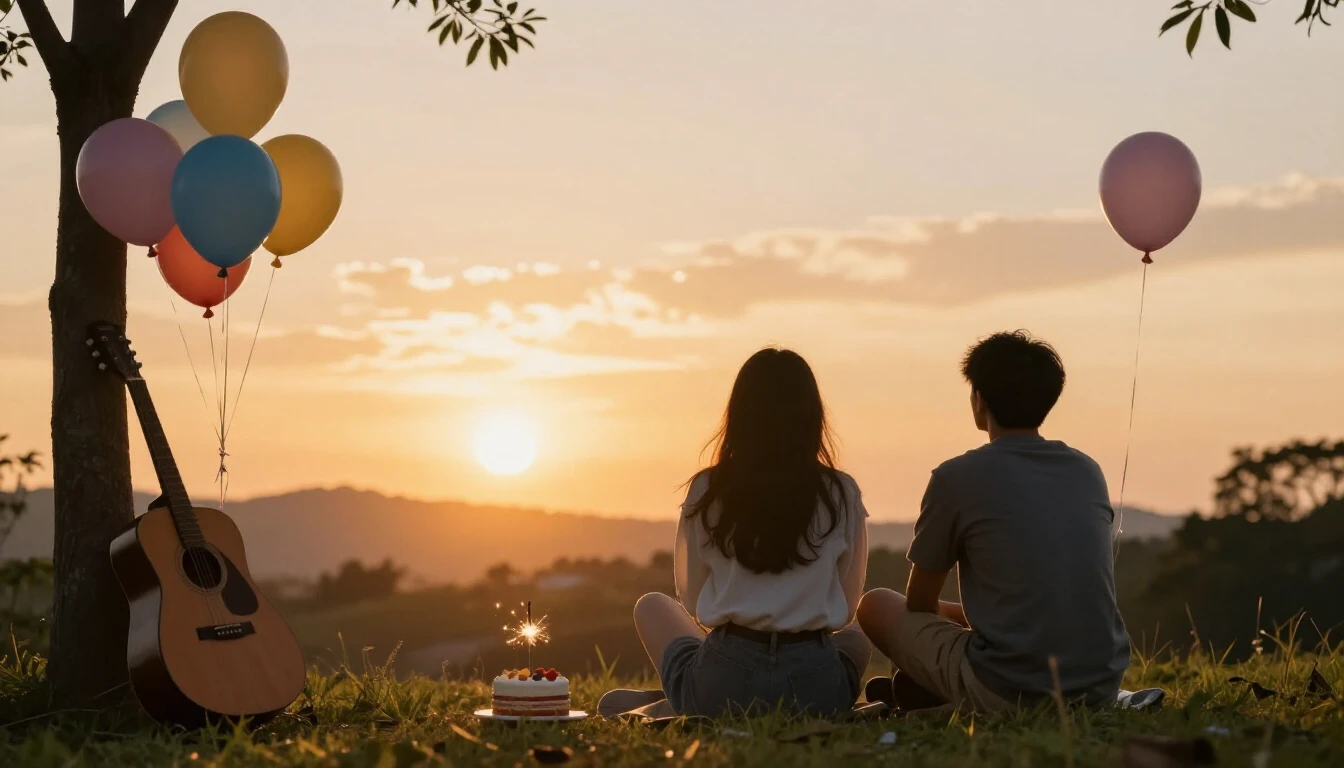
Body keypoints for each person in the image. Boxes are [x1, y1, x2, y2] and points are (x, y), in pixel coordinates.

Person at [857, 330, 1130, 713]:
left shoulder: (956, 477)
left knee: (876, 604)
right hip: (1099, 686)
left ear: (979, 399)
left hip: (1010, 687)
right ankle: (937, 699)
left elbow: (919, 602)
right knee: (963, 622)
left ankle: (956, 699)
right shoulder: (1087, 470)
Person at [613, 347, 872, 718]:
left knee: (651, 605)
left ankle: (690, 697)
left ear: (739, 415)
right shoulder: (841, 491)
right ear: (812, 416)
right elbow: (846, 608)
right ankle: (688, 698)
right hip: (815, 687)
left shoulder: (708, 488)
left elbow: (691, 598)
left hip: (726, 673)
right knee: (867, 621)